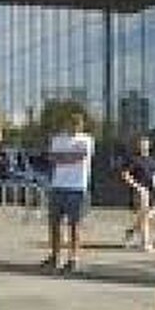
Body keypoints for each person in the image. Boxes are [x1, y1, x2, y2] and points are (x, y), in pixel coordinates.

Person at [42, 113, 94, 274]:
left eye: (78, 123)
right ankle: (55, 256)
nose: (75, 126)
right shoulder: (57, 139)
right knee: (54, 224)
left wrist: (63, 157)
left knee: (74, 225)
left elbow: (80, 157)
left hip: (77, 187)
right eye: (72, 123)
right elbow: (53, 158)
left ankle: (73, 258)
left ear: (82, 125)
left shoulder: (86, 140)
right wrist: (66, 157)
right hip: (58, 186)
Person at [120, 134, 155, 252]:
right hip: (140, 192)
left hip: (151, 191)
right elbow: (125, 175)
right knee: (145, 216)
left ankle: (131, 231)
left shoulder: (152, 160)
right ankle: (146, 243)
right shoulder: (134, 160)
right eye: (142, 144)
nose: (144, 146)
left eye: (146, 144)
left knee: (148, 216)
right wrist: (137, 187)